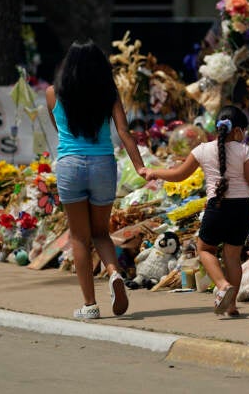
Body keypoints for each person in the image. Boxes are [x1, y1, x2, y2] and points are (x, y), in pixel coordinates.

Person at [147, 105, 249, 316]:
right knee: (232, 256)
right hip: (243, 209)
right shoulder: (245, 151)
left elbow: (178, 175)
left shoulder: (202, 150)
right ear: (237, 131)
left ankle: (222, 286)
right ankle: (231, 306)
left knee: (205, 249)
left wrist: (154, 172)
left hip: (218, 208)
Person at [46, 40, 151, 320]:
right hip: (103, 164)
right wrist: (140, 168)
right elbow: (124, 132)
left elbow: (60, 129)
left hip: (70, 165)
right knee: (101, 232)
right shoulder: (109, 94)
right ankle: (114, 273)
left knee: (79, 237)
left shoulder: (52, 94)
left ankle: (90, 305)